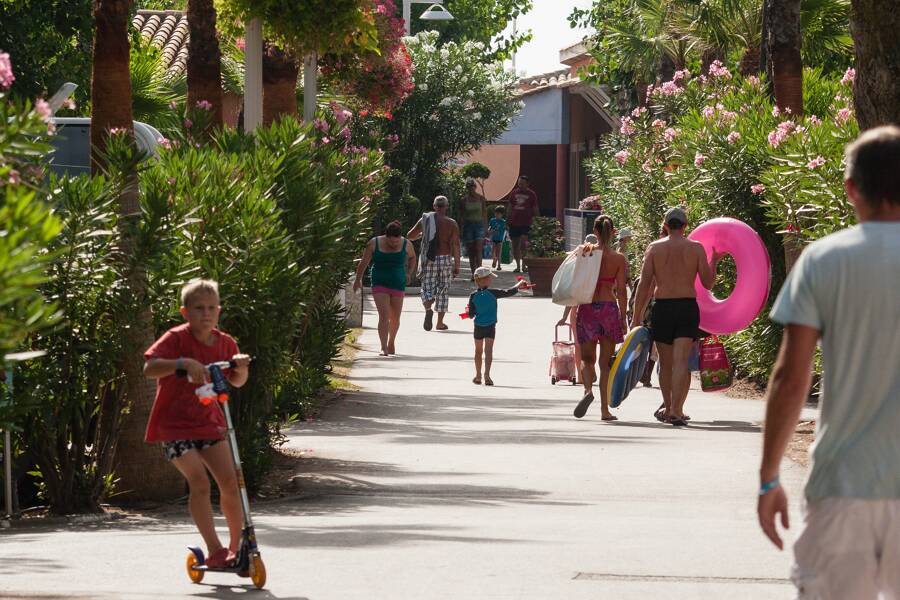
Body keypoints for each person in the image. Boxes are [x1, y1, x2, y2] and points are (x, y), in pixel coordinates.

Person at [758, 126, 900, 599]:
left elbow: (791, 377)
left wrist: (769, 478)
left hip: (844, 485)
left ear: (852, 189)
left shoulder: (823, 261)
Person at [143, 279, 251, 569]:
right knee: (199, 482)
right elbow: (149, 368)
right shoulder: (176, 338)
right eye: (199, 308)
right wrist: (182, 363)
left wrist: (240, 367)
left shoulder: (225, 342)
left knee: (230, 482)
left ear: (219, 310)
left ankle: (234, 547)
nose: (206, 313)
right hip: (174, 425)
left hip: (208, 422)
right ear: (185, 312)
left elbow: (237, 381)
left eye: (212, 307)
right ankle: (214, 550)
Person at [631, 208, 722, 426]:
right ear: (685, 225)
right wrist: (715, 260)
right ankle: (677, 411)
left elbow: (644, 285)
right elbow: (708, 283)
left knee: (666, 361)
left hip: (662, 308)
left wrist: (636, 316)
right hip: (687, 308)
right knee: (681, 362)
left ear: (665, 225)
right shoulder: (696, 248)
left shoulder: (654, 248)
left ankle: (669, 405)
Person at [572, 217, 629, 422]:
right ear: (613, 232)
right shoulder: (619, 259)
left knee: (587, 360)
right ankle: (604, 411)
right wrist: (623, 317)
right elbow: (622, 291)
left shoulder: (586, 251)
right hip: (608, 309)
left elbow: (574, 280)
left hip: (587, 308)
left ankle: (587, 390)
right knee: (604, 365)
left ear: (594, 231)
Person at [353, 220, 417, 356]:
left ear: (400, 237)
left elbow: (412, 258)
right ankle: (383, 347)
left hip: (398, 283)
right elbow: (364, 262)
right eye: (391, 241)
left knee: (395, 318)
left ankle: (391, 341)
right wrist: (358, 280)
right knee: (384, 315)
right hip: (379, 282)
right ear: (385, 236)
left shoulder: (407, 244)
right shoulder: (374, 243)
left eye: (396, 241)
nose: (394, 244)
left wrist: (409, 272)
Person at [466, 266, 528, 386]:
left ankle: (478, 376)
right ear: (485, 280)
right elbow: (508, 291)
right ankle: (487, 376)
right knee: (488, 351)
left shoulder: (473, 296)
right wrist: (519, 284)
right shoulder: (493, 293)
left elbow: (471, 315)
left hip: (478, 326)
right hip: (490, 326)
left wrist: (468, 311)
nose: (491, 280)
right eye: (489, 278)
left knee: (478, 351)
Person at [408, 195, 461, 331]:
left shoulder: (425, 219)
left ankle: (428, 309)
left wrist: (423, 235)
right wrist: (457, 265)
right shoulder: (452, 223)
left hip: (429, 258)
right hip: (444, 258)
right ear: (446, 207)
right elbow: (455, 245)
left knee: (426, 287)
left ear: (434, 206)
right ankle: (439, 323)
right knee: (443, 290)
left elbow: (410, 236)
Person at [557, 234, 600, 384]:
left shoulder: (579, 264)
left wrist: (564, 315)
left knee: (579, 344)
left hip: (578, 309)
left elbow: (573, 293)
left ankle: (583, 376)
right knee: (593, 343)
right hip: (597, 309)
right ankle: (589, 371)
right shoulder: (600, 264)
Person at [503, 175, 540, 273]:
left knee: (524, 244)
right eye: (519, 183)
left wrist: (538, 220)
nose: (520, 185)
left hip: (526, 223)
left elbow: (535, 208)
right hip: (514, 222)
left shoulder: (532, 194)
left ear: (527, 184)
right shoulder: (514, 193)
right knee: (515, 245)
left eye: (522, 183)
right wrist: (507, 220)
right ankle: (518, 266)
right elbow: (510, 207)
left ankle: (524, 265)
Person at [461, 177, 488, 278]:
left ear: (475, 187)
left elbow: (484, 213)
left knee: (478, 249)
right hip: (468, 225)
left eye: (472, 186)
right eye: (468, 187)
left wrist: (486, 228)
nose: (471, 189)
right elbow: (462, 215)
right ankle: (473, 273)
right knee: (471, 251)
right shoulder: (464, 200)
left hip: (479, 225)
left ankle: (480, 272)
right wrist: (461, 228)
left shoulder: (481, 198)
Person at [489, 206, 507, 270]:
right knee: (493, 251)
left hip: (500, 239)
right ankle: (494, 259)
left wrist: (507, 237)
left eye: (498, 214)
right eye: (496, 213)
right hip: (493, 238)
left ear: (502, 215)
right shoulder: (492, 220)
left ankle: (499, 265)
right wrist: (489, 231)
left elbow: (506, 230)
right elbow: (490, 227)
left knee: (499, 252)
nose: (497, 215)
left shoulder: (504, 222)